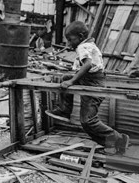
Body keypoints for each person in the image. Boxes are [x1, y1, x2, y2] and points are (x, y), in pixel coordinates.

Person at [46, 21, 129, 154]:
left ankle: (119, 140)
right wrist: (71, 79)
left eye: (70, 40)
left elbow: (88, 65)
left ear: (79, 36)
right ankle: (64, 110)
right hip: (91, 80)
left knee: (88, 121)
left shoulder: (82, 47)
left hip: (93, 83)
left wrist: (73, 80)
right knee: (85, 121)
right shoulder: (89, 45)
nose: (69, 44)